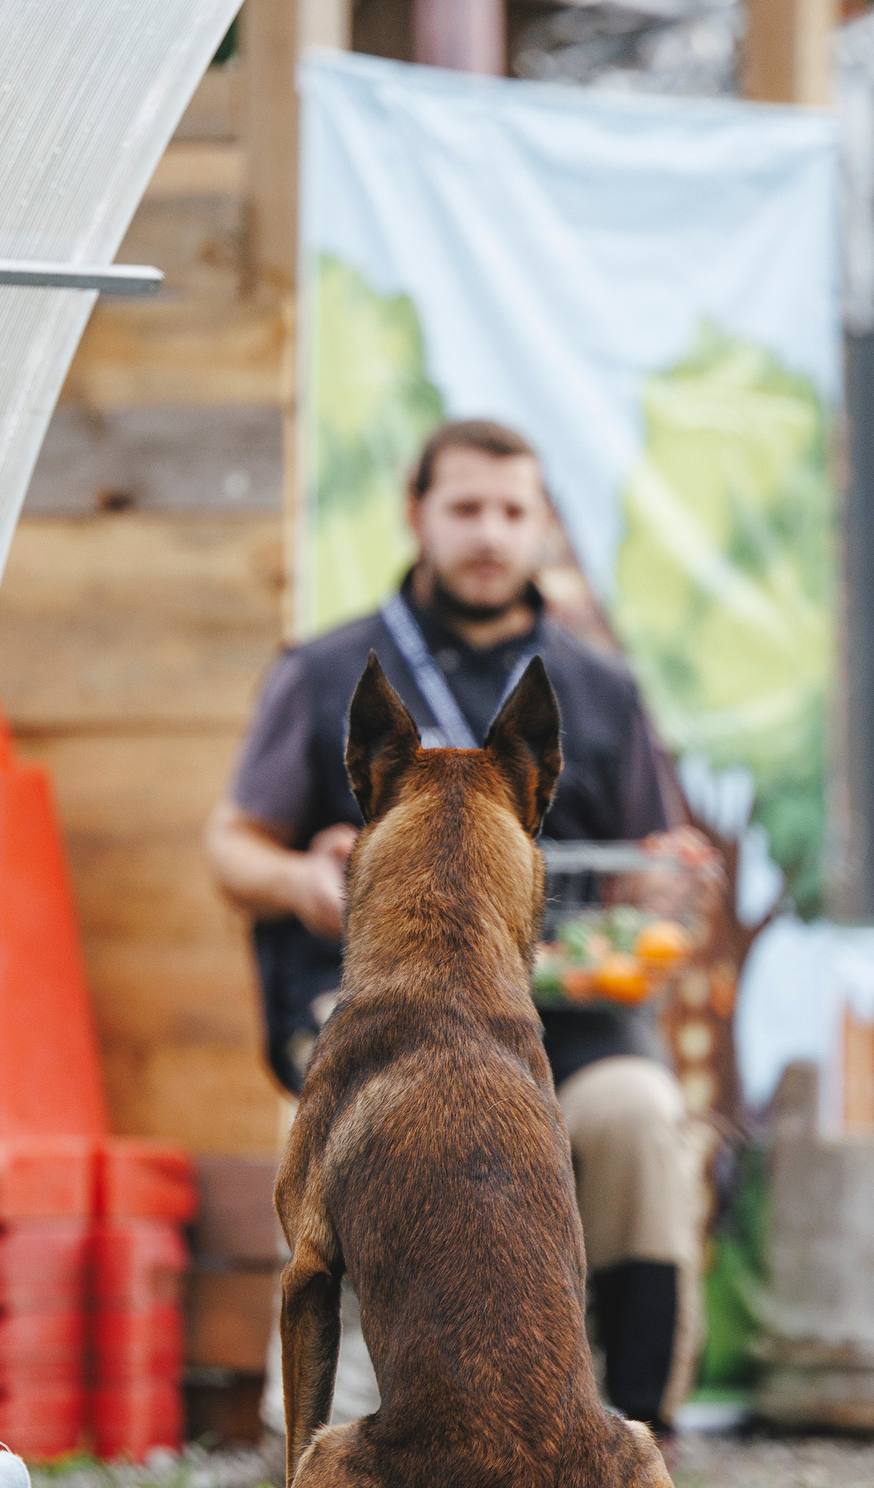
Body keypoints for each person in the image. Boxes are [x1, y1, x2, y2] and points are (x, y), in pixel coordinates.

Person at [203, 418, 711, 1430]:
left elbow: (655, 860)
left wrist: (668, 884)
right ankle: (335, 1430)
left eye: (514, 512)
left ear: (541, 528)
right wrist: (304, 880)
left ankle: (634, 1432)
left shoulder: (601, 688)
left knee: (639, 1119)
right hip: (376, 1001)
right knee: (397, 1120)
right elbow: (231, 847)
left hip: (560, 1010)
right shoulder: (324, 672)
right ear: (415, 515)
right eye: (466, 508)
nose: (490, 533)